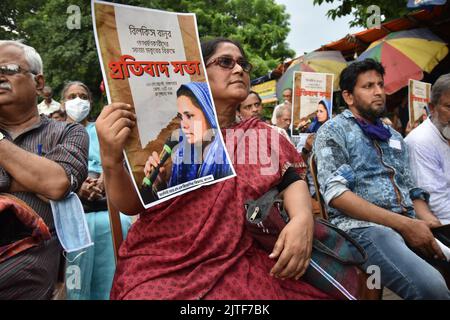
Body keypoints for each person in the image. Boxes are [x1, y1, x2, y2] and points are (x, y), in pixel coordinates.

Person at [95, 37, 332, 300]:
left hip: (237, 258)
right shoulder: (173, 138)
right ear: (199, 73)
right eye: (226, 62)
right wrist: (111, 160)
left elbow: (292, 180)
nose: (239, 69)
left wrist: (301, 220)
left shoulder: (264, 135)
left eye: (243, 64)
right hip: (161, 260)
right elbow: (132, 206)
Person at [314, 58, 450, 299]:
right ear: (348, 96)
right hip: (364, 230)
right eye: (368, 86)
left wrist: (428, 222)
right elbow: (336, 196)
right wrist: (405, 225)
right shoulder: (334, 131)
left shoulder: (394, 136)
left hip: (408, 223)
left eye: (380, 84)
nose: (378, 92)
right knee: (432, 289)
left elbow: (412, 190)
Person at [0, 40, 88, 299]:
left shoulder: (69, 132)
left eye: (8, 69)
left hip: (29, 282)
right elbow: (47, 183)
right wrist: (31, 177)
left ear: (39, 83)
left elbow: (56, 184)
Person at [61, 81, 132, 300]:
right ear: (63, 104)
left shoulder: (101, 129)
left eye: (82, 96)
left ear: (90, 102)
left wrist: (104, 179)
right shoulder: (55, 131)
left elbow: (114, 158)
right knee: (76, 277)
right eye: (71, 96)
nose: (77, 101)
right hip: (73, 213)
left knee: (119, 230)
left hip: (107, 208)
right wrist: (79, 184)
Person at [143, 82, 233, 193]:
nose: (183, 125)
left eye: (189, 116)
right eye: (181, 117)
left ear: (209, 112)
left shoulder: (230, 153)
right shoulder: (183, 154)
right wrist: (160, 185)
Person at [405, 73, 450, 225]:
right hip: (441, 224)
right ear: (432, 108)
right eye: (449, 107)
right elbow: (437, 204)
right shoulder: (421, 141)